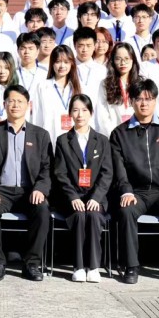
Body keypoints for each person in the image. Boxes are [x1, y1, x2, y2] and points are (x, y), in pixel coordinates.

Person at [111, 78, 159, 285]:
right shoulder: (119, 134)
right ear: (131, 101)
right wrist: (126, 191)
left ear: (156, 101)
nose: (144, 103)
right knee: (126, 210)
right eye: (139, 99)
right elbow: (119, 171)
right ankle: (131, 266)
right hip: (136, 192)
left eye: (148, 99)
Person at [0, 85, 53, 282]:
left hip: (29, 191)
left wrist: (40, 189)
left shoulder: (40, 135)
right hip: (1, 191)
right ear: (4, 104)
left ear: (28, 105)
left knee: (42, 210)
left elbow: (47, 168)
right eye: (11, 101)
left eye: (20, 101)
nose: (15, 105)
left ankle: (31, 263)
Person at [52, 94, 113, 283]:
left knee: (93, 215)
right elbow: (60, 174)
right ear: (70, 113)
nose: (80, 115)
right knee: (79, 216)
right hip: (72, 197)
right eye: (76, 110)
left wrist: (96, 197)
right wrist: (73, 197)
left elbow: (107, 173)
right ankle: (78, 266)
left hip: (95, 197)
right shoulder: (63, 141)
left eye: (84, 110)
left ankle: (93, 267)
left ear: (91, 113)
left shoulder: (102, 141)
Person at [32, 45, 83, 145]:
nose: (62, 66)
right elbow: (37, 118)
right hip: (50, 141)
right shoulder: (43, 87)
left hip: (75, 142)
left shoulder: (78, 87)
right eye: (58, 61)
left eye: (66, 62)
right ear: (52, 63)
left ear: (72, 64)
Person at [96, 42, 139, 136]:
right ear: (113, 61)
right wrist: (114, 136)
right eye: (118, 59)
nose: (123, 63)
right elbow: (102, 115)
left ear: (133, 60)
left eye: (126, 58)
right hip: (114, 135)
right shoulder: (105, 84)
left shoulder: (140, 83)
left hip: (138, 135)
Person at [72, 27, 108, 106]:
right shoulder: (69, 68)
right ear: (74, 45)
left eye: (88, 45)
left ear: (94, 46)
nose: (85, 50)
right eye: (81, 45)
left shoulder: (102, 70)